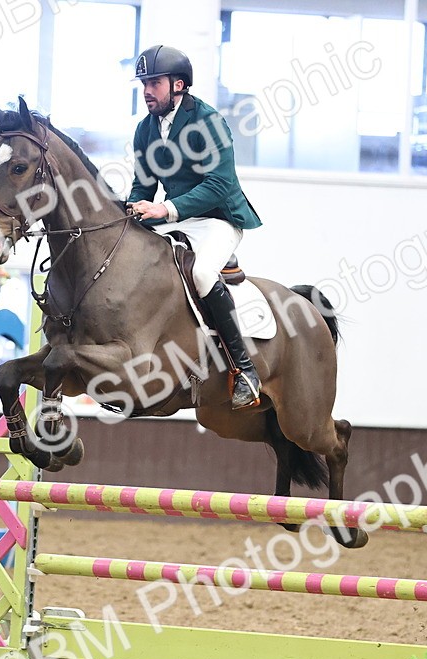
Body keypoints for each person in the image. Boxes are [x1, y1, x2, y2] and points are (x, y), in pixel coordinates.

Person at [126, 44, 264, 411]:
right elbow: (143, 187)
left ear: (179, 85)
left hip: (220, 218)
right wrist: (131, 210)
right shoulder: (145, 130)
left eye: (154, 83)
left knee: (202, 273)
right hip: (179, 220)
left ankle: (245, 370)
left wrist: (165, 209)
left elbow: (219, 184)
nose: (147, 91)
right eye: (144, 84)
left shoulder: (208, 122)